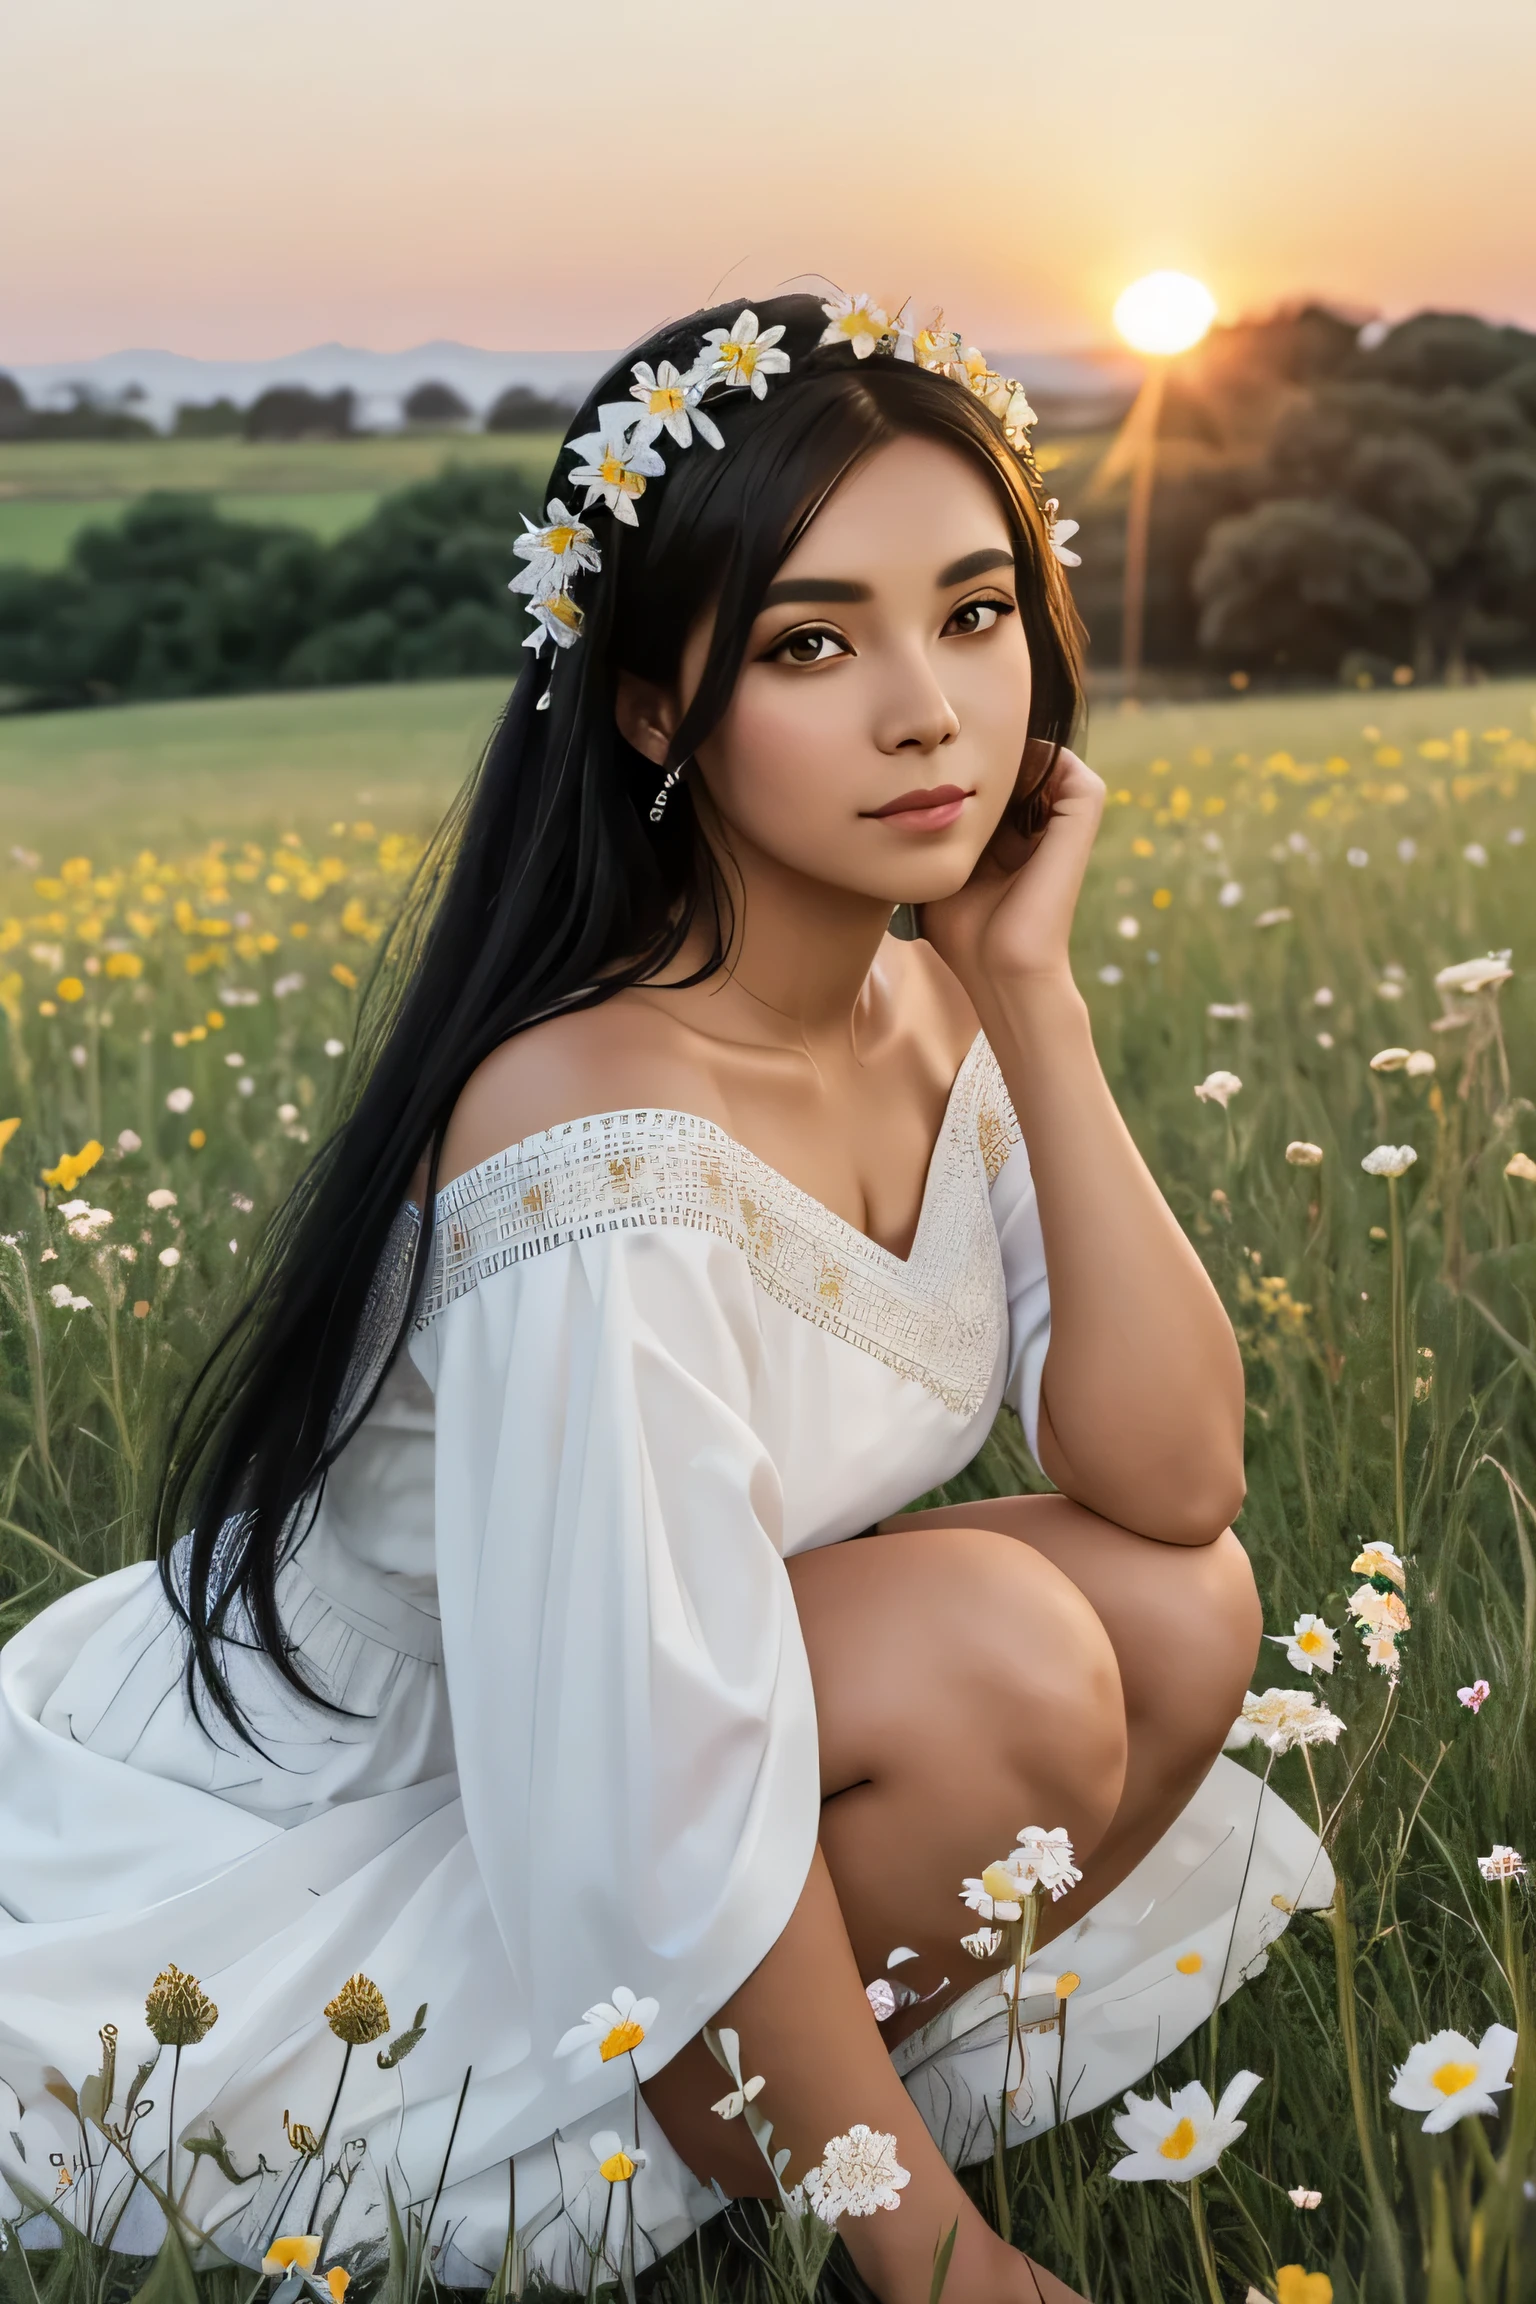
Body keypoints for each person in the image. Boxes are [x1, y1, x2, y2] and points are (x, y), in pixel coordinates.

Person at [0, 290, 1330, 2304]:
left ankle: (785, 2107)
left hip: (636, 1716)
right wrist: (953, 2272)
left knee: (1176, 1605)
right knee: (1001, 1652)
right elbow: (623, 1765)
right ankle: (772, 2156)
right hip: (390, 1799)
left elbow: (1171, 1476)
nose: (929, 710)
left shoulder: (921, 991)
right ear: (647, 709)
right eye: (814, 642)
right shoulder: (594, 1134)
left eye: (973, 615)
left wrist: (1030, 994)